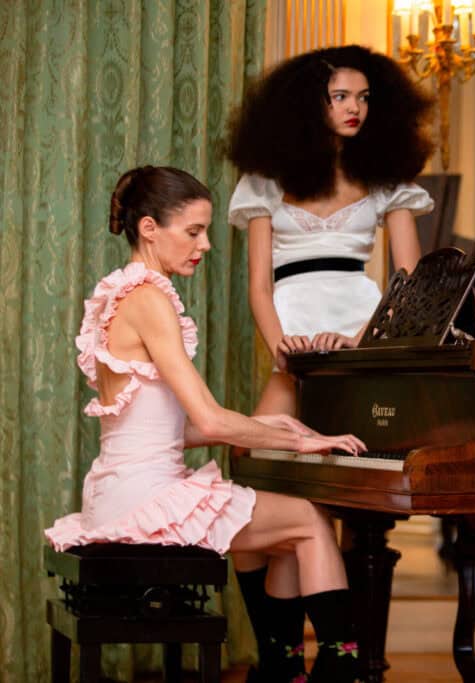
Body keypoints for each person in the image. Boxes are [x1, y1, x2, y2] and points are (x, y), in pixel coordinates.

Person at [44, 166, 368, 683]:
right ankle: (342, 667)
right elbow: (212, 422)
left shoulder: (119, 293)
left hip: (118, 489)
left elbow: (169, 429)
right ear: (149, 228)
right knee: (309, 520)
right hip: (145, 498)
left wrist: (278, 423)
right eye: (194, 231)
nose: (207, 245)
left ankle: (283, 670)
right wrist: (306, 440)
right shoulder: (148, 299)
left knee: (284, 536)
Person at [226, 44, 435, 418]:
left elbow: (411, 282)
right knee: (257, 448)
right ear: (309, 104)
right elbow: (259, 286)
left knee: (367, 438)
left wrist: (359, 341)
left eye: (363, 98)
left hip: (362, 321)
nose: (354, 108)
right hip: (294, 329)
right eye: (340, 97)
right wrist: (281, 348)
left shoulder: (387, 181)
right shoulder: (264, 182)